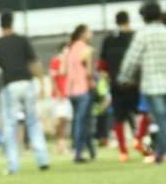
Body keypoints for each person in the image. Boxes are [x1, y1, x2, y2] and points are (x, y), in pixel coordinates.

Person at [118, 0, 166, 164]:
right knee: (162, 118)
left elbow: (131, 59)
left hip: (151, 83)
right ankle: (159, 155)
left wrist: (124, 77)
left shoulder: (142, 34)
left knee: (160, 119)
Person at [0, 10, 49, 174]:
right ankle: (42, 159)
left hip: (9, 85)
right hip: (27, 83)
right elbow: (34, 62)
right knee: (33, 121)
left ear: (0, 25)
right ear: (12, 23)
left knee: (9, 125)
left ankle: (13, 165)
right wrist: (42, 82)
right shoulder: (22, 41)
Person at [100, 10, 138, 162]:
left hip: (115, 83)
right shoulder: (134, 37)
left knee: (118, 117)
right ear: (128, 20)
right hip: (133, 83)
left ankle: (123, 151)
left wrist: (109, 78)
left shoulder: (108, 39)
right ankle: (140, 141)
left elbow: (102, 65)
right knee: (140, 113)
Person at [66, 24, 96, 163]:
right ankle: (78, 153)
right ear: (82, 34)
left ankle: (90, 150)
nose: (92, 33)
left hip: (71, 90)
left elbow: (62, 71)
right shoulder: (87, 50)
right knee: (83, 122)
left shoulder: (70, 50)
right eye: (89, 31)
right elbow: (90, 73)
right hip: (84, 89)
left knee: (80, 121)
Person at [48, 42, 71, 154]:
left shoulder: (69, 62)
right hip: (59, 96)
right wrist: (58, 93)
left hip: (67, 94)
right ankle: (59, 144)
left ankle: (62, 144)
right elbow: (52, 78)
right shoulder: (57, 60)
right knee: (60, 120)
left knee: (65, 121)